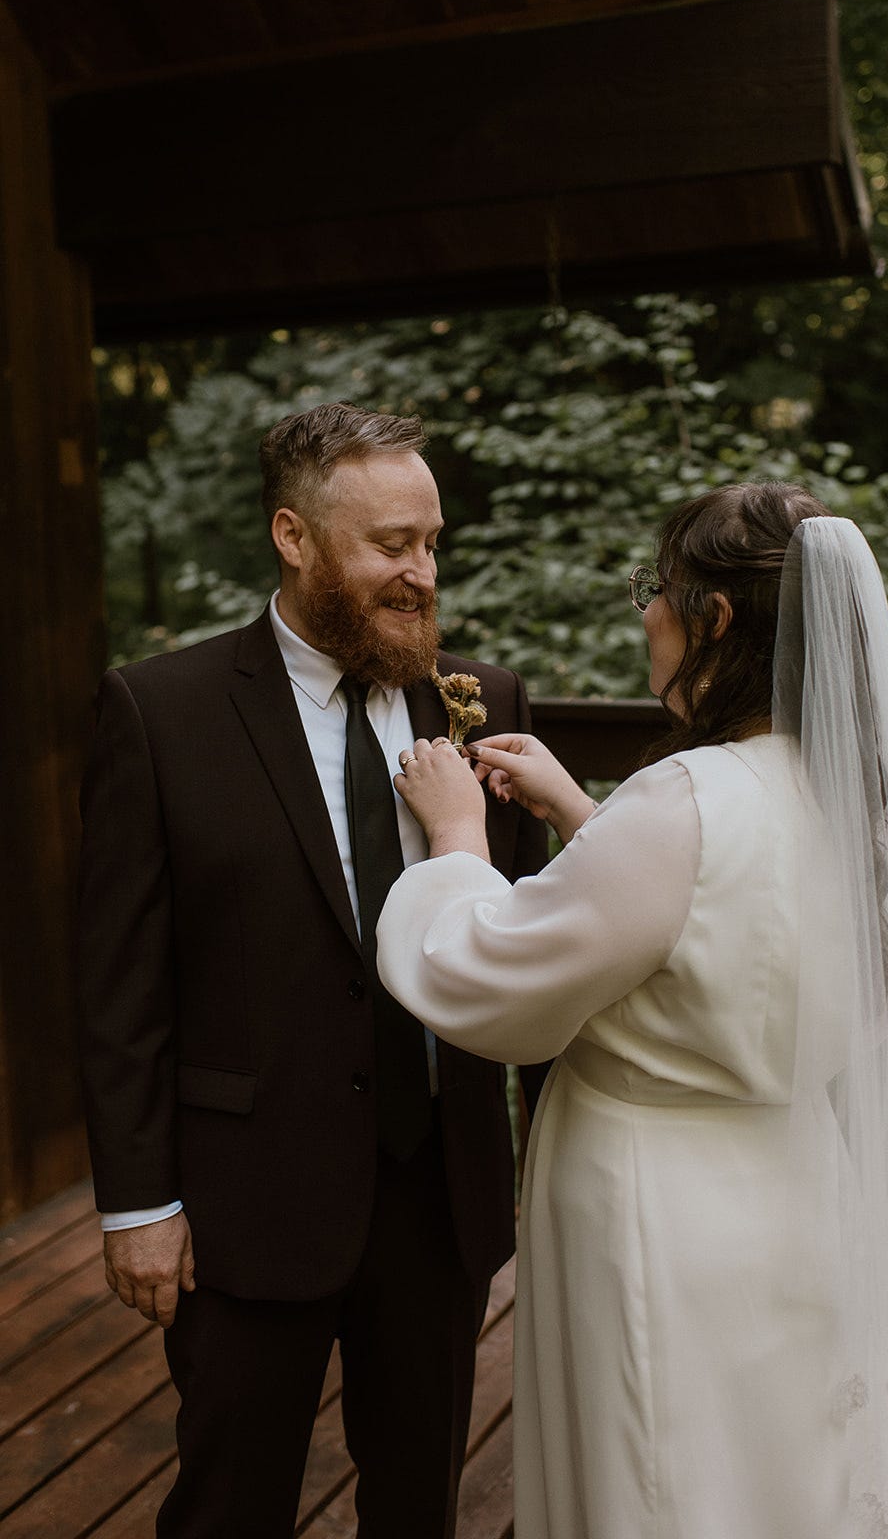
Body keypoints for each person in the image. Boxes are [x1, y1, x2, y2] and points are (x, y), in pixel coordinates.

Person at [376, 482, 888, 1539]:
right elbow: (723, 932)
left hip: (656, 1214)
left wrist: (456, 838)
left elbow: (492, 983)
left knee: (663, 1476)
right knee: (773, 1478)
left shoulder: (683, 801)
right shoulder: (845, 791)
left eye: (657, 589)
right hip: (794, 1191)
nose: (646, 613)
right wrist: (587, 815)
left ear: (715, 619)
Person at [77, 402, 547, 1539]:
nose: (422, 573)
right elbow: (121, 983)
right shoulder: (161, 709)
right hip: (245, 1198)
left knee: (415, 1507)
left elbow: (524, 951)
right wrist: (140, 1202)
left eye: (432, 542)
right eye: (391, 544)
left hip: (440, 1192)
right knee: (228, 1504)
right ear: (294, 536)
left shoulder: (487, 705)